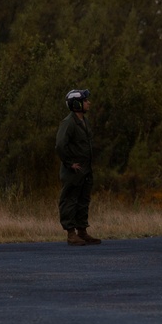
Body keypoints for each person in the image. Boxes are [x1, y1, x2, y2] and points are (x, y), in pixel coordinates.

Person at [56, 89, 102, 246]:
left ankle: (82, 231)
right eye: (85, 100)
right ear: (76, 104)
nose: (88, 103)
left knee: (83, 200)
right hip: (73, 171)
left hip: (85, 170)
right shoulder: (68, 123)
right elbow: (60, 145)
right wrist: (69, 163)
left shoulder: (84, 121)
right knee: (70, 199)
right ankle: (71, 233)